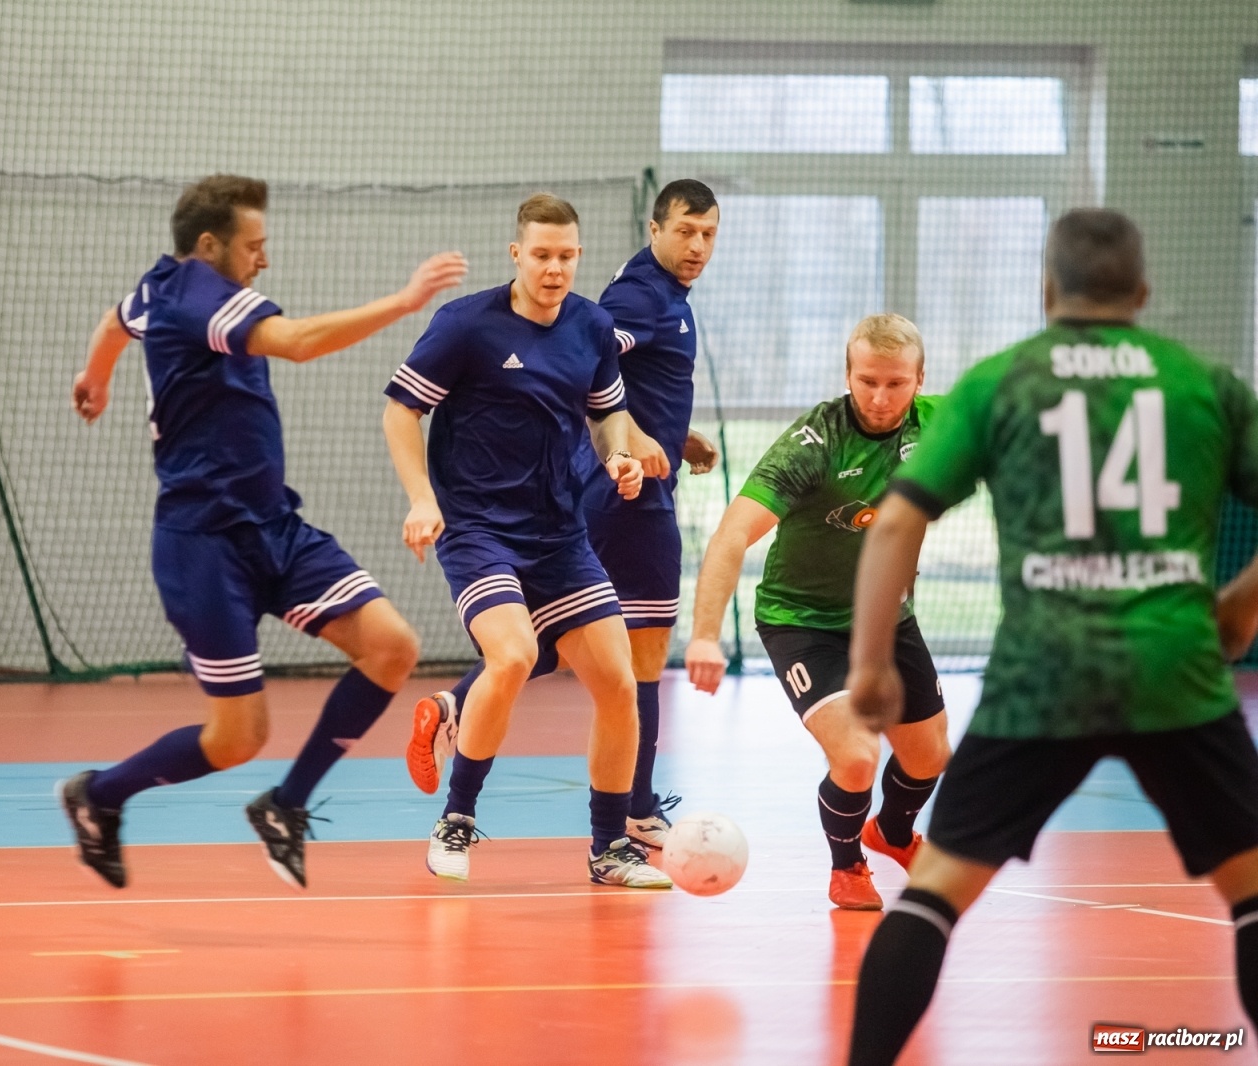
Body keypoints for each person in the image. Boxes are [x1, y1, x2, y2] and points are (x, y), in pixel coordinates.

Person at [842, 209, 1258, 1065]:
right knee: (1251, 894)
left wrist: (870, 662)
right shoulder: (1203, 382)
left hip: (1042, 674)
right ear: (1143, 295)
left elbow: (894, 525)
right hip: (1175, 668)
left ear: (1046, 291)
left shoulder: (1005, 382)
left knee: (933, 897)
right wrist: (1242, 607)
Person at [59, 174, 467, 891]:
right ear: (210, 247)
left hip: (273, 526)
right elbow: (300, 342)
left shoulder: (160, 286)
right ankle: (99, 795)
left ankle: (286, 805)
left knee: (393, 648)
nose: (263, 261)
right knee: (239, 738)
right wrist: (406, 302)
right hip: (201, 545)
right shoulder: (198, 297)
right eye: (255, 247)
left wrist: (97, 377)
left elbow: (116, 319)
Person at [403, 179, 723, 850]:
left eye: (566, 256)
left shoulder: (595, 322)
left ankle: (609, 844)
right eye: (542, 255)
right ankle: (467, 817)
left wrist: (636, 447)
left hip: (565, 523)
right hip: (497, 523)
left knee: (608, 672)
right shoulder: (484, 321)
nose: (554, 269)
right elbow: (402, 409)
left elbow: (605, 403)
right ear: (517, 253)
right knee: (537, 653)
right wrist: (424, 500)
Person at [684, 314, 952, 910]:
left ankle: (894, 833)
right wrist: (704, 636)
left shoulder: (939, 425)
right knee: (857, 756)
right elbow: (731, 536)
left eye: (896, 384)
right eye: (867, 382)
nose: (880, 398)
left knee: (931, 755)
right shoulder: (814, 445)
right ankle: (847, 862)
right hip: (802, 621)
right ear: (847, 375)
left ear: (920, 380)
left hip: (886, 618)